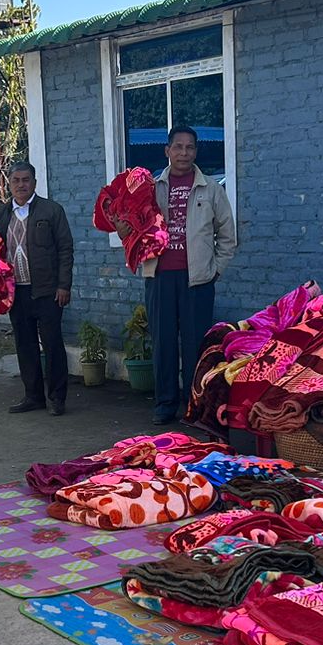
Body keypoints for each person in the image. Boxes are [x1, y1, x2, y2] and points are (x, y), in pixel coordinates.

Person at [130, 126, 236, 423]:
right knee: (162, 343)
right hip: (160, 276)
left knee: (196, 346)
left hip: (198, 280)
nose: (184, 153)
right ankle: (165, 405)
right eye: (178, 147)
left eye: (190, 147)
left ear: (196, 152)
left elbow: (227, 236)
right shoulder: (151, 188)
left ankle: (194, 406)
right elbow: (131, 227)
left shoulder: (211, 189)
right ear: (167, 151)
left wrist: (216, 270)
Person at [0, 161, 73, 416]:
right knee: (25, 345)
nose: (21, 185)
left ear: (34, 183)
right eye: (16, 180)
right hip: (16, 292)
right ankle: (33, 396)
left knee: (52, 344)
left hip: (47, 290)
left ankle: (57, 398)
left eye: (26, 180)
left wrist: (63, 285)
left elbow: (66, 249)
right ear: (9, 184)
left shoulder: (51, 211)